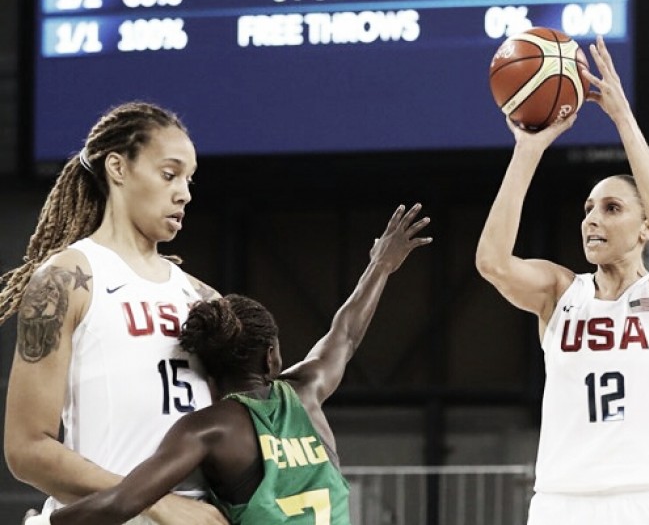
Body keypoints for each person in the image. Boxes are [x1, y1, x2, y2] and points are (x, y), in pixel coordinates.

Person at [21, 202, 432, 525]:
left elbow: (123, 502)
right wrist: (380, 265)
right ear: (271, 355)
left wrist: (46, 523)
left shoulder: (208, 428)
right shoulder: (306, 391)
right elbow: (345, 334)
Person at [475, 36, 649, 525]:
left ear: (642, 230)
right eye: (588, 209)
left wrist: (623, 119)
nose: (592, 219)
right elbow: (492, 261)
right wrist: (528, 151)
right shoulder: (560, 292)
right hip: (563, 499)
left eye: (611, 208)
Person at [2, 102, 228, 525]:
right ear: (118, 168)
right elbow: (26, 448)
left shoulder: (203, 297)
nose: (185, 192)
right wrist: (155, 501)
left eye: (189, 179)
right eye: (169, 174)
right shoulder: (67, 278)